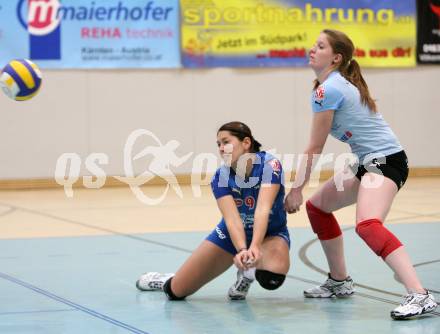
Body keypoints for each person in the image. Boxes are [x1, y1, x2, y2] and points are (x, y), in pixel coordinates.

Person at [284, 29, 437, 320]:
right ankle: (339, 281)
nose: (312, 49)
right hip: (367, 161)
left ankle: (420, 294)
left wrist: (296, 189)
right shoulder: (328, 85)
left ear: (336, 58)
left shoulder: (329, 90)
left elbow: (315, 147)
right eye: (314, 45)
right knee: (318, 208)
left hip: (387, 162)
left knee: (368, 224)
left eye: (320, 46)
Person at [136, 121, 290, 300]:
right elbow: (232, 219)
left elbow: (262, 209)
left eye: (226, 142)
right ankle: (165, 280)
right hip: (230, 234)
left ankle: (247, 275)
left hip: (270, 233)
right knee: (176, 292)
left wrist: (254, 246)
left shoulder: (270, 166)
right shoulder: (220, 177)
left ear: (246, 143)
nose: (221, 148)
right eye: (218, 144)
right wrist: (241, 249)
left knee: (271, 278)